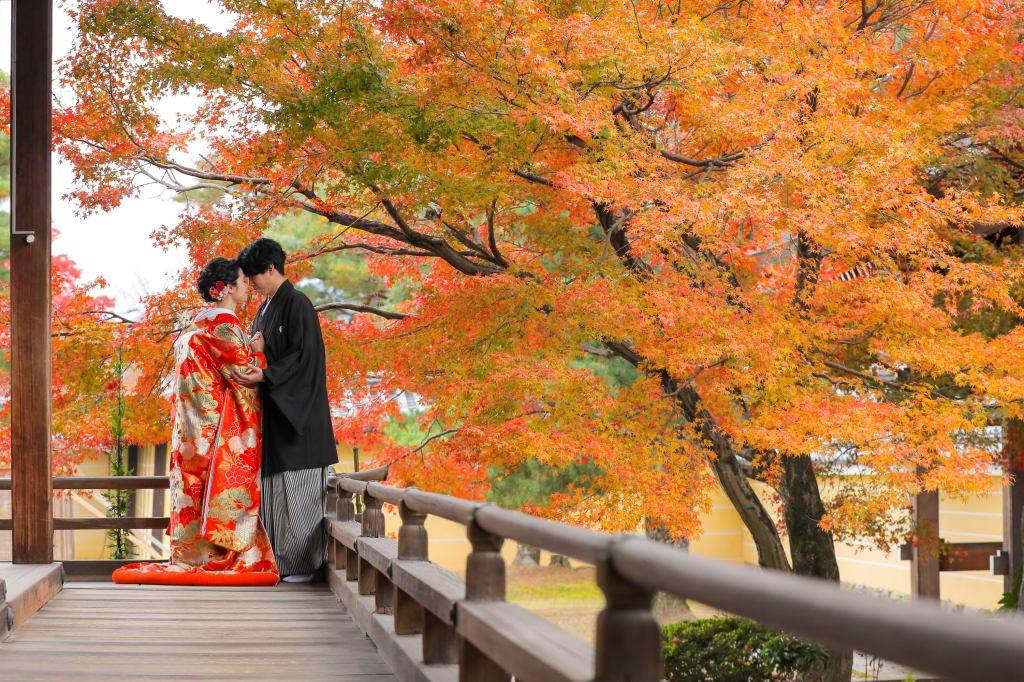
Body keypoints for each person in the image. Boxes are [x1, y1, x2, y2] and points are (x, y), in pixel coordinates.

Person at [113, 257, 279, 585]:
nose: (248, 286)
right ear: (228, 288)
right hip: (214, 424)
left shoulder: (197, 322)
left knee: (191, 489)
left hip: (189, 424)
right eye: (243, 281)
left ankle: (189, 556)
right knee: (213, 487)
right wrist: (259, 351)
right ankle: (219, 558)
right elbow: (244, 373)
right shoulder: (224, 323)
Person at [233, 238, 338, 582]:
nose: (251, 284)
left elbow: (305, 359)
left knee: (299, 495)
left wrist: (266, 372)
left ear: (272, 269)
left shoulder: (298, 303)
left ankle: (304, 566)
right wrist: (259, 354)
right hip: (276, 417)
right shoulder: (265, 309)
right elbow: (269, 356)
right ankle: (279, 563)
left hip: (301, 422)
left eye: (254, 277)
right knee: (275, 495)